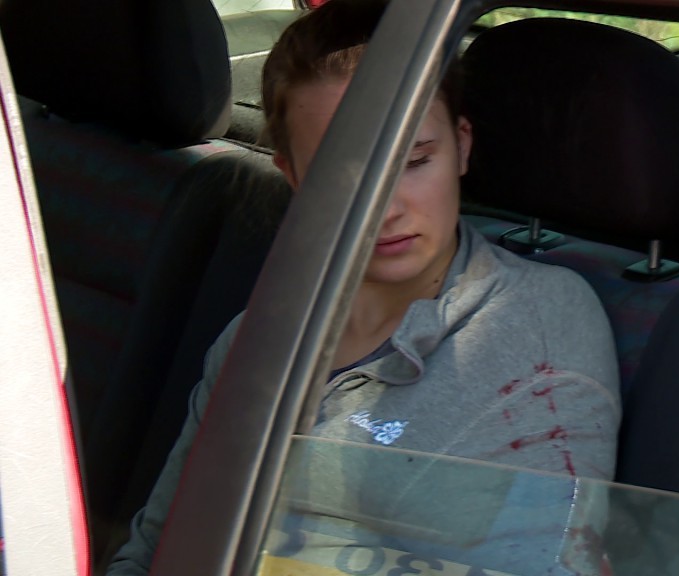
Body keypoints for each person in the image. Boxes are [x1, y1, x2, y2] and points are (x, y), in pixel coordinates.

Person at [106, 1, 620, 574]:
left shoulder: (531, 319)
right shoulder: (253, 340)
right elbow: (156, 550)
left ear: (462, 146)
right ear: (294, 177)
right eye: (342, 174)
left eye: (415, 161)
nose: (386, 208)